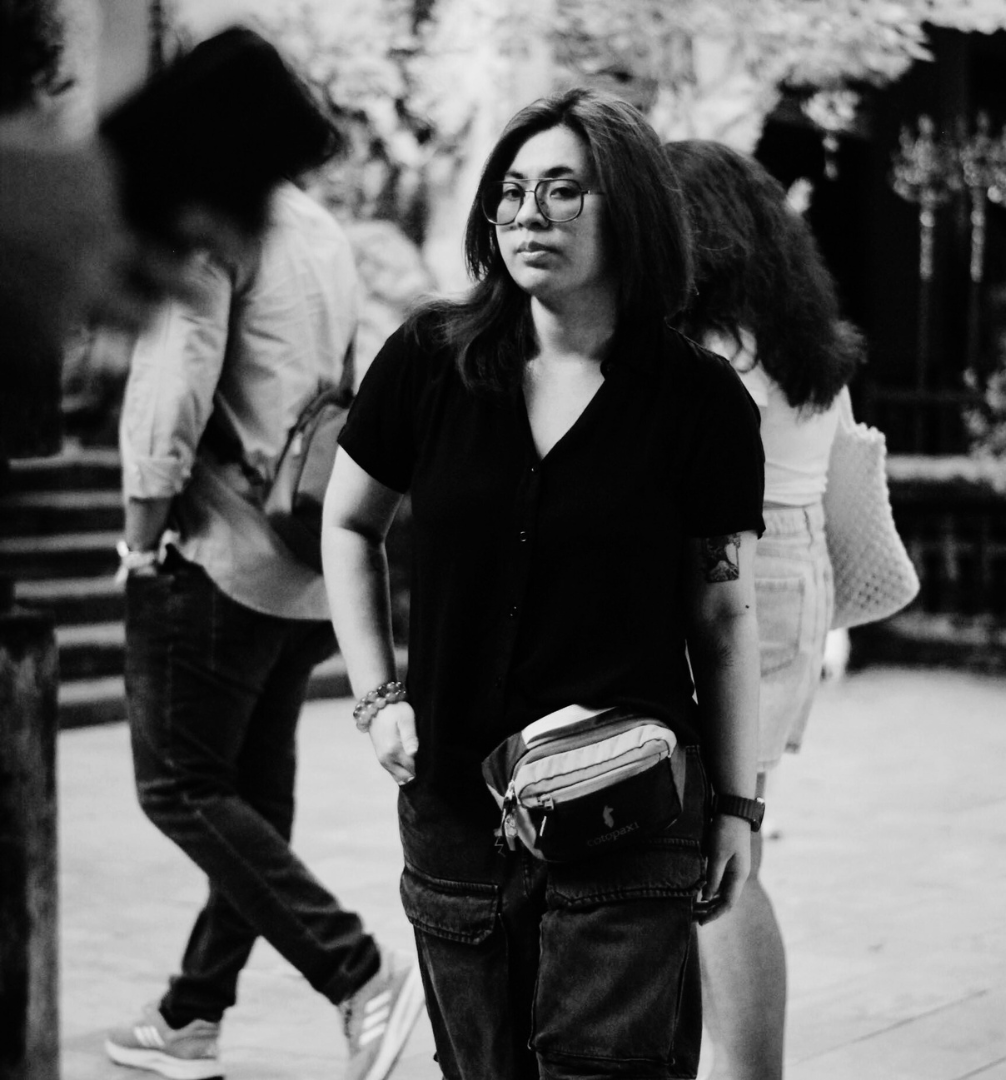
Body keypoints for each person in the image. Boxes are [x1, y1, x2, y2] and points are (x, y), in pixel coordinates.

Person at [322, 87, 766, 1080]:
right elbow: (348, 525)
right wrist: (377, 697)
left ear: (632, 212)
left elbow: (724, 615)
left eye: (564, 190)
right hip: (455, 813)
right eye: (513, 191)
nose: (528, 214)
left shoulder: (700, 403)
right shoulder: (430, 361)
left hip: (628, 813)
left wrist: (738, 808)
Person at [106, 179, 424, 1080]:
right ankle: (191, 1013)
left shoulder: (212, 219)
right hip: (301, 552)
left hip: (220, 553)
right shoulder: (319, 225)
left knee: (178, 785)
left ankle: (359, 974)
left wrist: (140, 538)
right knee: (253, 799)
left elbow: (171, 382)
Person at [664, 139, 864, 1080]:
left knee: (714, 854)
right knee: (729, 832)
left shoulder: (709, 348)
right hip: (797, 571)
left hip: (734, 573)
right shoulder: (802, 339)